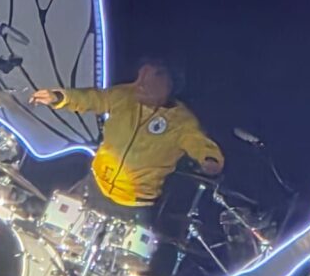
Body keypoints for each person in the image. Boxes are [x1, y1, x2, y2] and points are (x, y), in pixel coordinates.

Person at [30, 58, 223, 219]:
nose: (139, 85)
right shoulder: (124, 96)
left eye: (148, 81)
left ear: (169, 85)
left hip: (131, 206)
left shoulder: (181, 122)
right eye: (139, 78)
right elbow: (92, 98)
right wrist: (59, 97)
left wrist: (210, 160)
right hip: (94, 184)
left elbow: (199, 144)